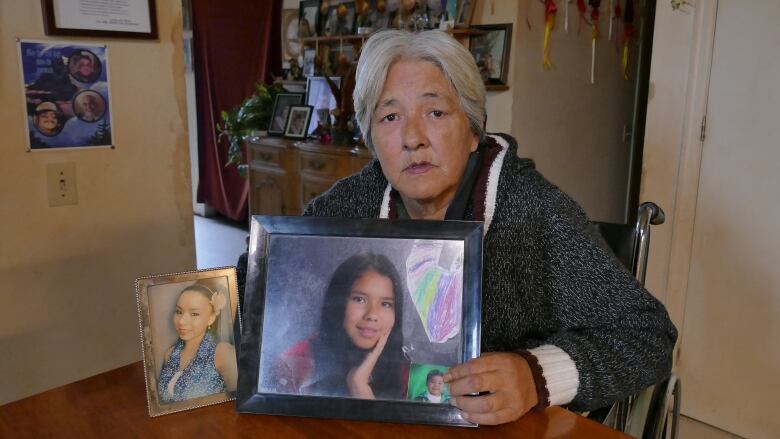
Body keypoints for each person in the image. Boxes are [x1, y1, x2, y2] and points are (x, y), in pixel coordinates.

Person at [300, 30, 678, 424]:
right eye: (390, 117)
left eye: (435, 113)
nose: (412, 138)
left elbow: (648, 334)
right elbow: (255, 286)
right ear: (372, 139)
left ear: (473, 131)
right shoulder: (354, 199)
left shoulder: (534, 210)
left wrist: (535, 375)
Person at [270, 252, 408, 400]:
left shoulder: (405, 370)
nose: (372, 315)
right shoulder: (295, 363)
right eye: (359, 299)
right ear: (339, 302)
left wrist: (359, 386)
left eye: (385, 304)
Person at [157, 283, 237, 403]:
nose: (182, 321)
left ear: (211, 318)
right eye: (179, 312)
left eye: (194, 314)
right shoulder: (169, 354)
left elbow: (238, 403)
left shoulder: (223, 353)